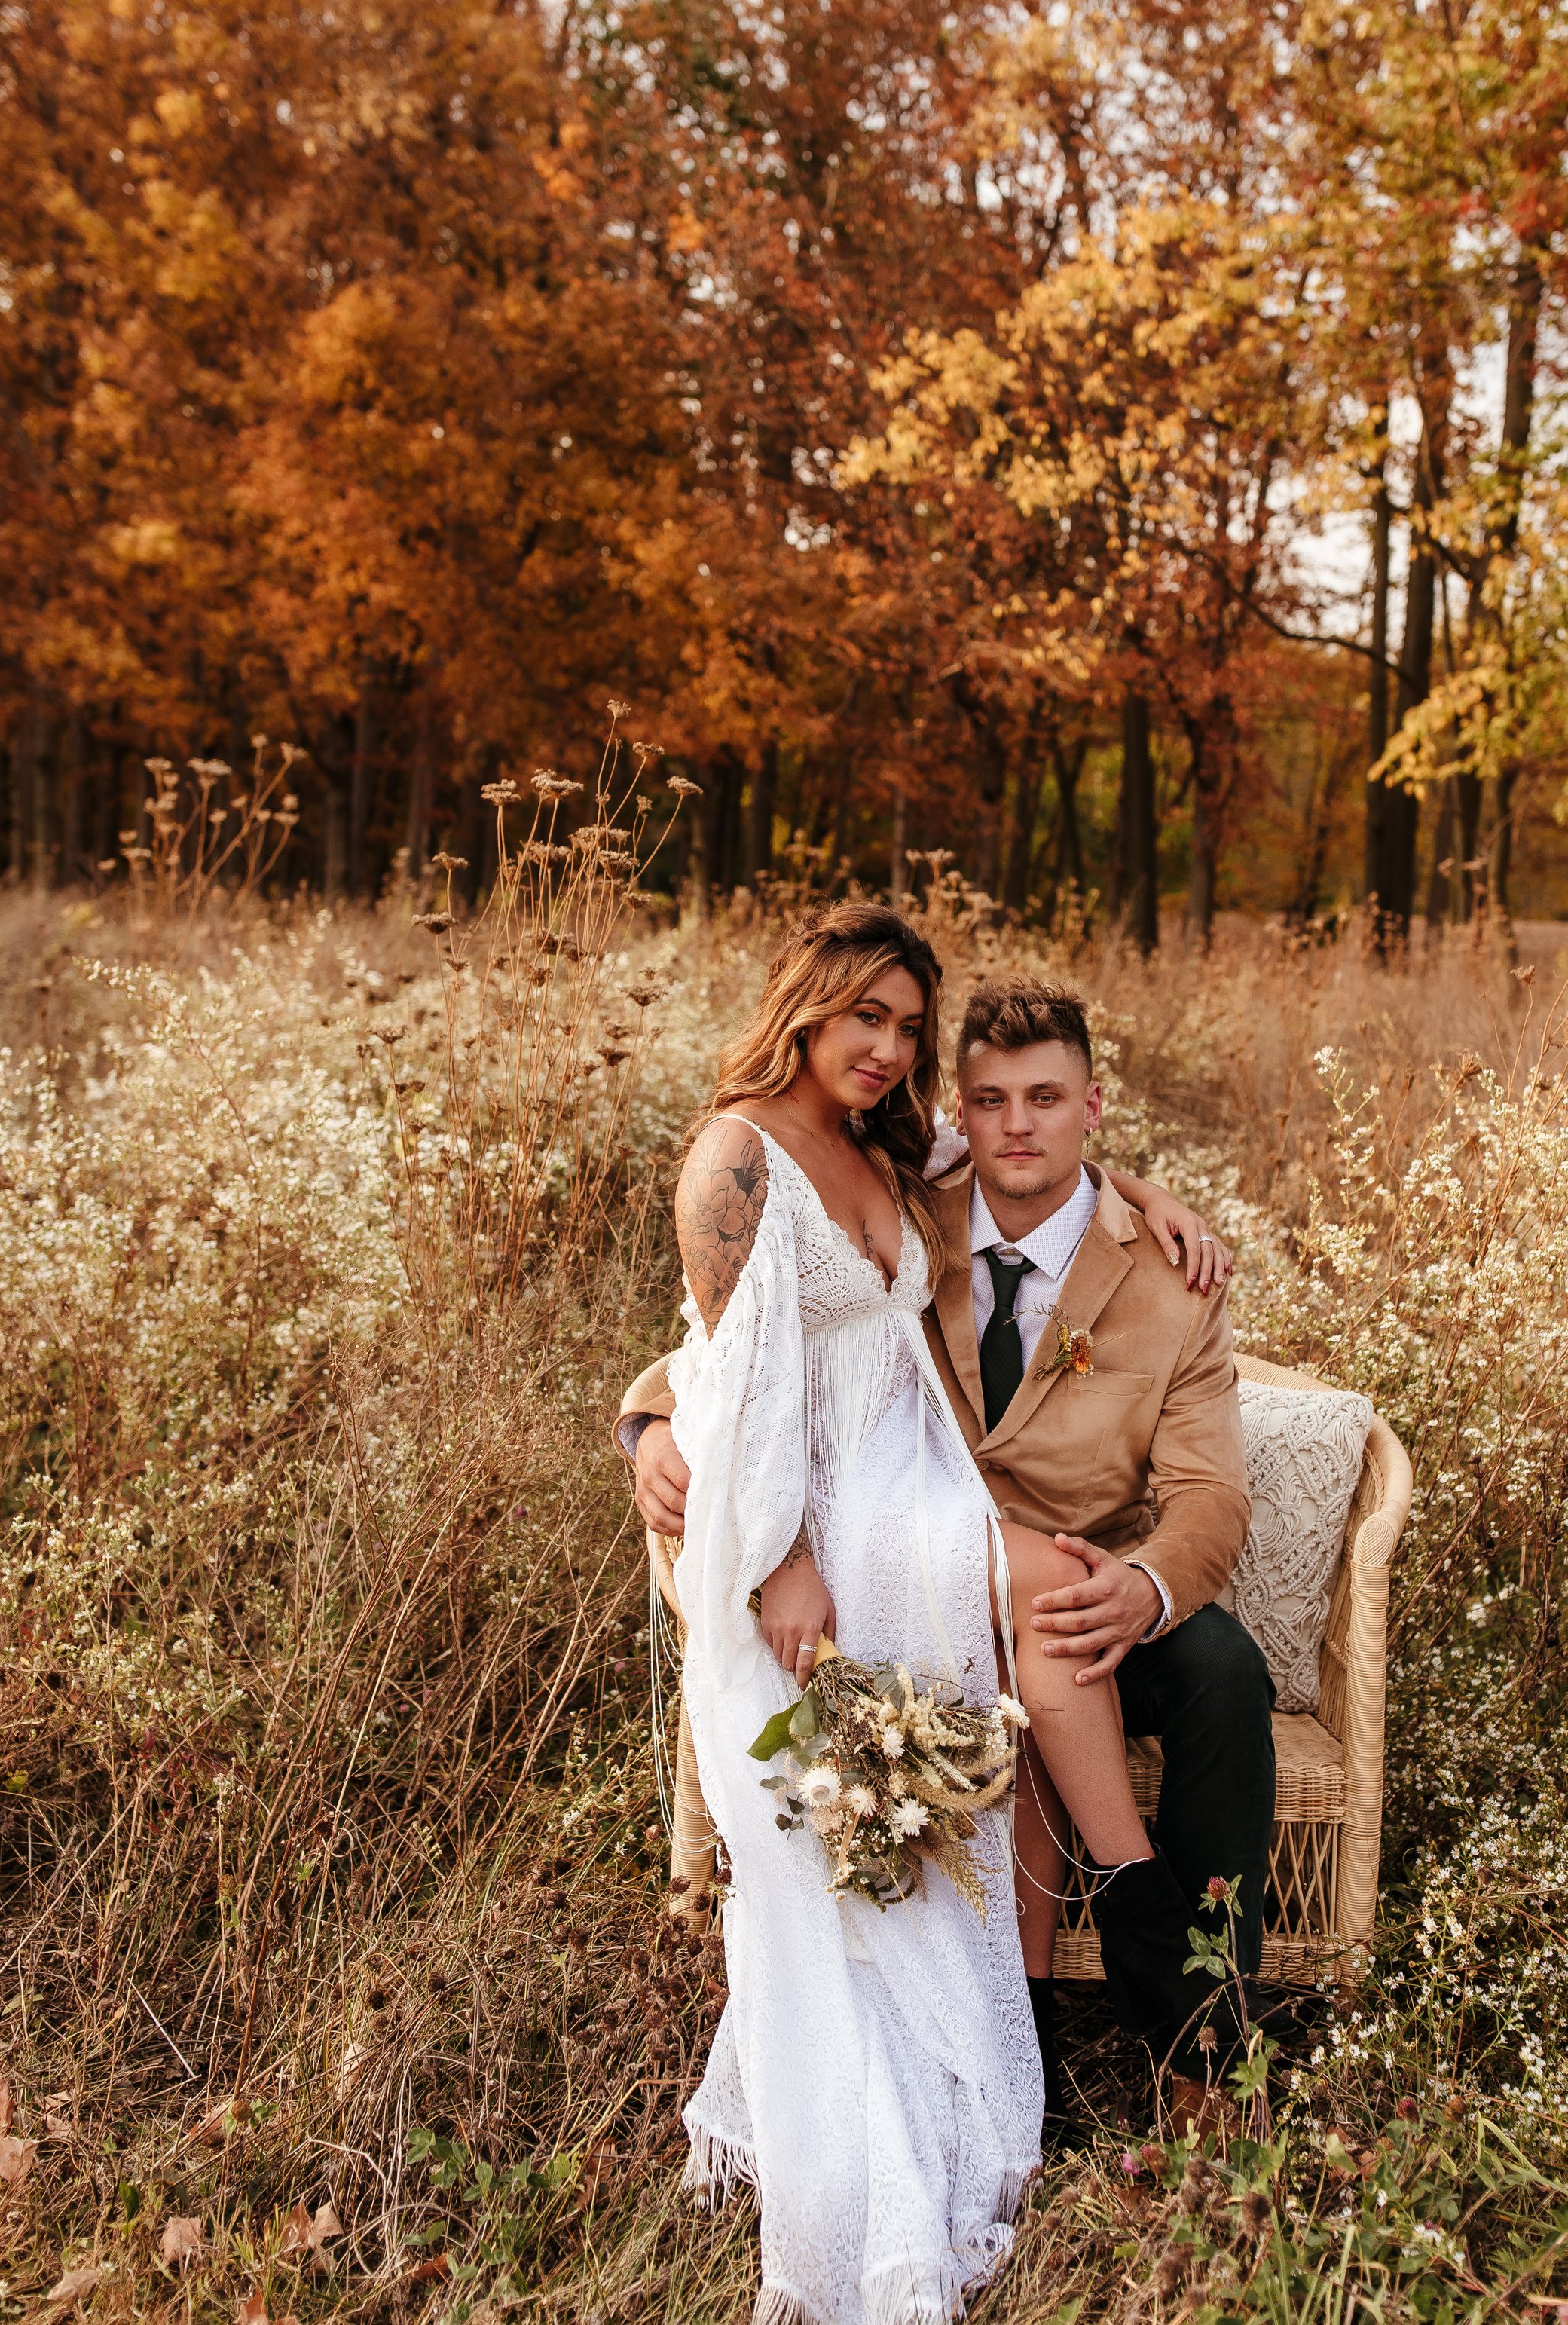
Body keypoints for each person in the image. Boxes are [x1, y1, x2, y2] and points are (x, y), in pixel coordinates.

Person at [643, 905, 1229, 2325]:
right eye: (869, 1020)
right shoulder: (736, 1154)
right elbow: (720, 1364)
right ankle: (1150, 1916)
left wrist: (1145, 1192)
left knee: (1060, 1597)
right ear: (808, 1005)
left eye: (910, 1027)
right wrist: (770, 1550)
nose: (889, 1048)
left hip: (921, 1487)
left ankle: (1136, 1926)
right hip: (829, 1509)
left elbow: (1040, 1152)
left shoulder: (894, 1140)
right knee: (1057, 1584)